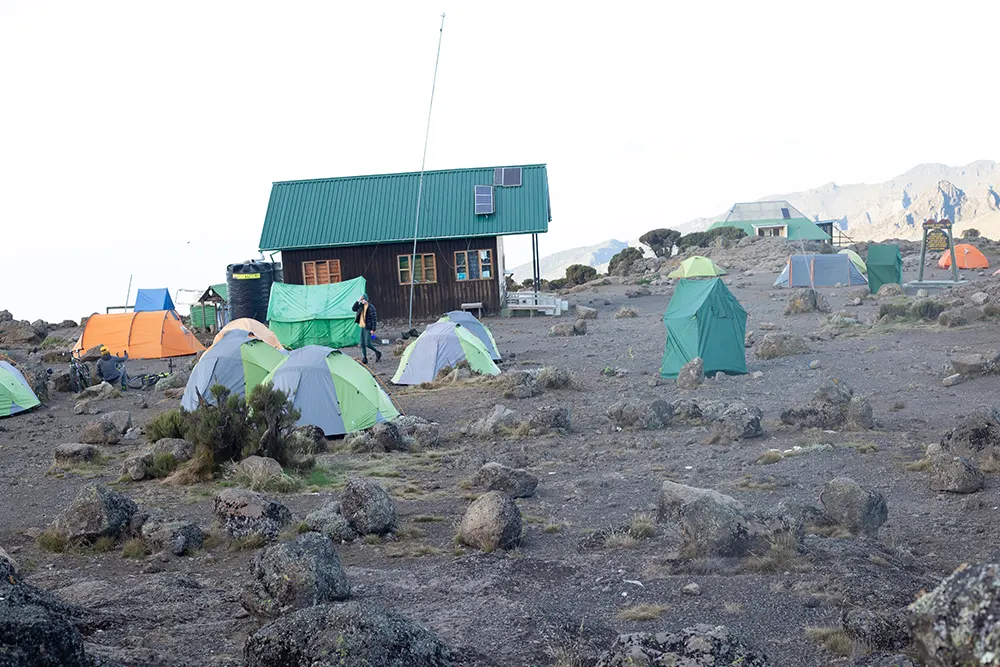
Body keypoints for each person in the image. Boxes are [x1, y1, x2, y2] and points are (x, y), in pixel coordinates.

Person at [352, 294, 381, 364]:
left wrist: (373, 329)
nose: (362, 301)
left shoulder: (371, 307)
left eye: (363, 299)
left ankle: (377, 352)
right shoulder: (361, 306)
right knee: (362, 343)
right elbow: (353, 309)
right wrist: (358, 300)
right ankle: (364, 358)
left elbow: (374, 319)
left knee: (367, 343)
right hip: (361, 326)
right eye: (361, 299)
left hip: (368, 327)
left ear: (366, 299)